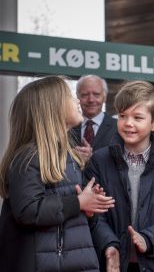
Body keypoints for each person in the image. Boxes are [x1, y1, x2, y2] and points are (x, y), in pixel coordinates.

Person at [0, 76, 115, 272]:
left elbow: (61, 208)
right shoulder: (28, 158)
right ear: (52, 109)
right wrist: (78, 202)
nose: (78, 101)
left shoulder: (66, 155)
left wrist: (86, 206)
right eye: (71, 96)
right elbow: (29, 210)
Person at [85, 80, 154, 272]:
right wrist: (110, 245)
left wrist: (149, 239)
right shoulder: (99, 161)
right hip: (113, 263)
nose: (128, 123)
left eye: (137, 117)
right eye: (122, 115)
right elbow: (94, 216)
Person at [72, 75, 117, 162]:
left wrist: (92, 158)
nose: (91, 100)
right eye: (85, 95)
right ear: (77, 97)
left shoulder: (118, 127)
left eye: (96, 94)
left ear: (105, 97)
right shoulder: (68, 128)